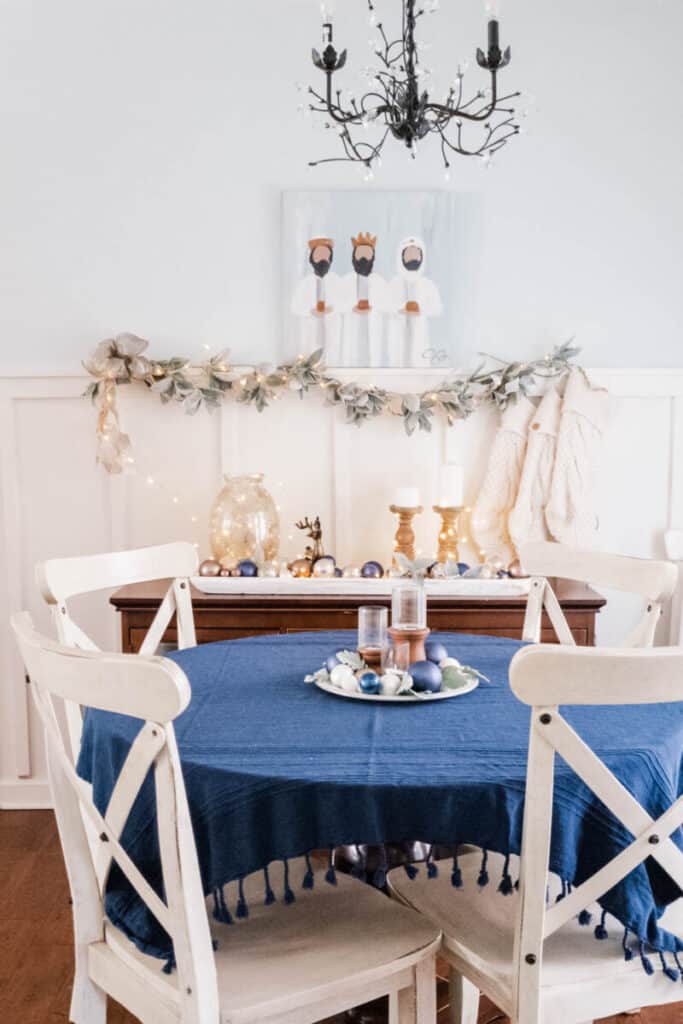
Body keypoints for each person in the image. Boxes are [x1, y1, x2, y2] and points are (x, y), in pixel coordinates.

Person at [387, 236, 443, 366]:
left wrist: (420, 308)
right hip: (398, 333)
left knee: (419, 362)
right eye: (408, 254)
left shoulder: (427, 284)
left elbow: (437, 309)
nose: (412, 257)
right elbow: (386, 305)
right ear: (401, 257)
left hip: (420, 334)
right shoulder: (394, 284)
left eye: (415, 254)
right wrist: (402, 308)